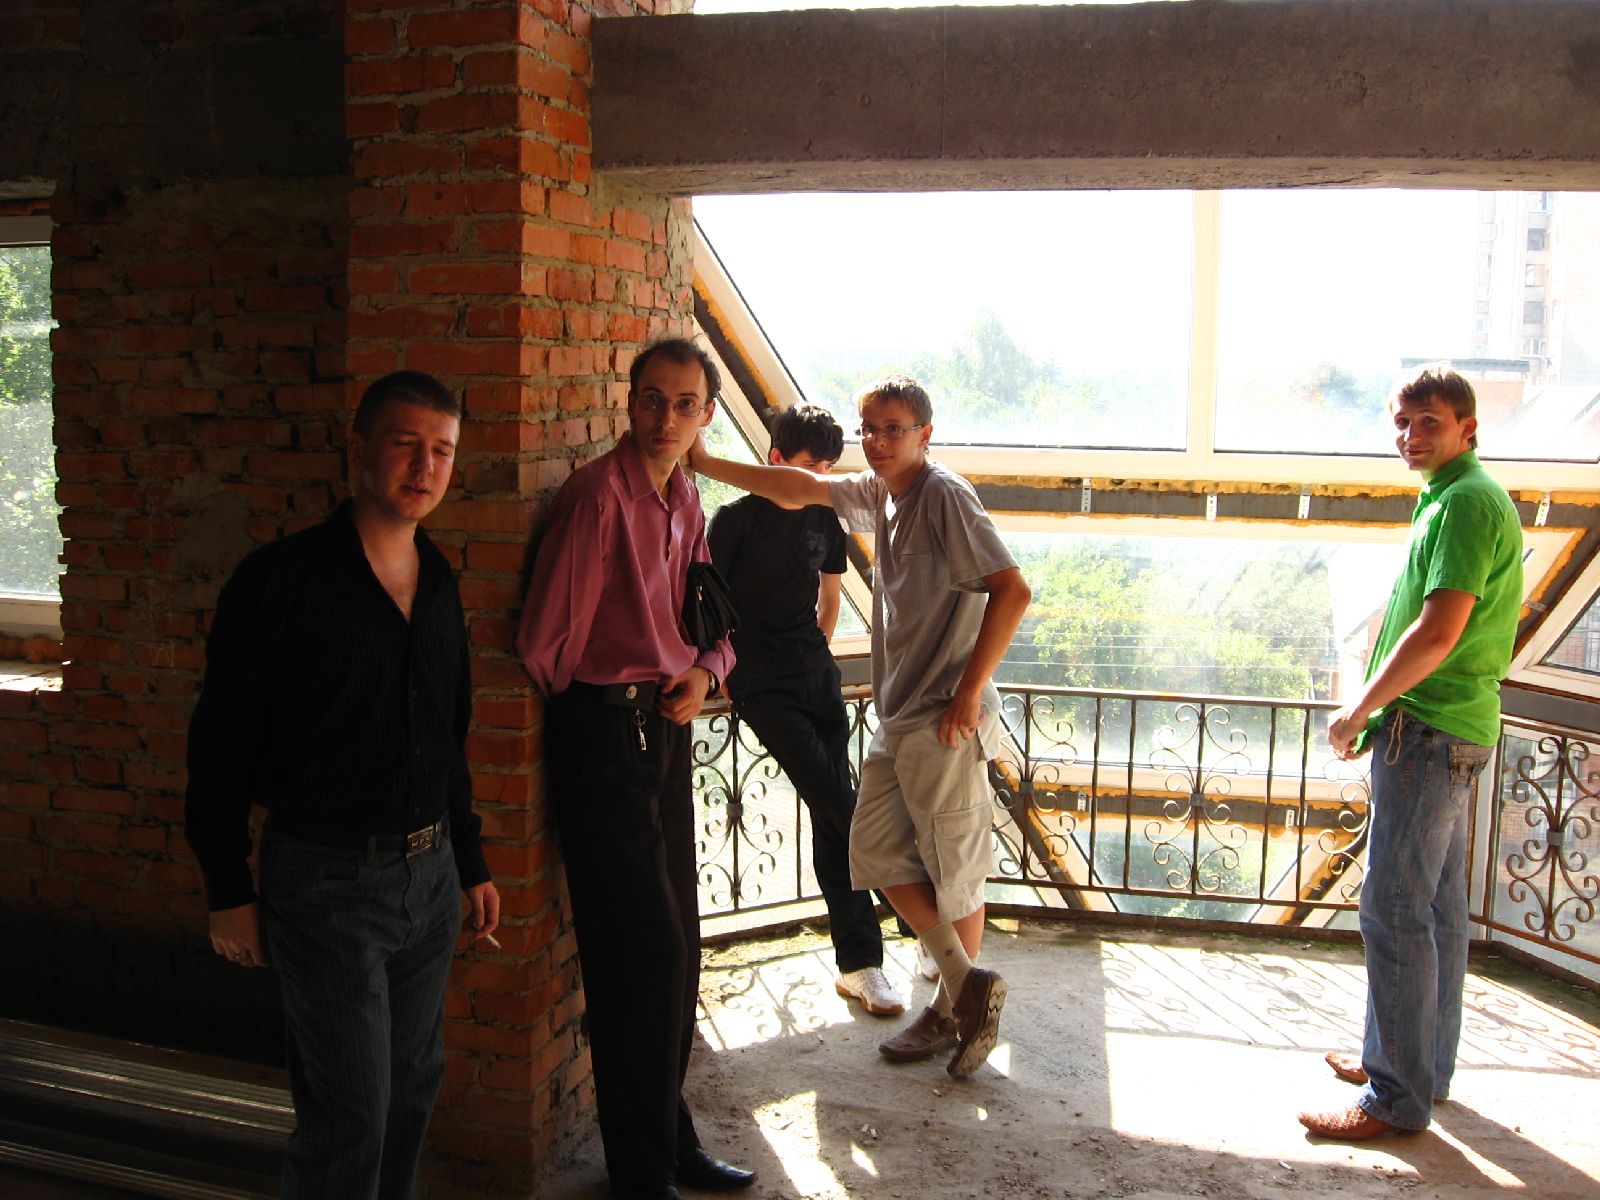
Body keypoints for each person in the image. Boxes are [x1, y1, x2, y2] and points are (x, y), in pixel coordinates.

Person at [183, 370, 501, 1199]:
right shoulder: (280, 581)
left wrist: (468, 860)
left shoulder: (438, 578)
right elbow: (219, 741)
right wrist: (228, 887)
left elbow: (446, 734)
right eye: (406, 444)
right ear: (359, 447)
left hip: (430, 876)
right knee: (349, 1116)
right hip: (326, 882)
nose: (425, 467)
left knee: (411, 1090)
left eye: (442, 451)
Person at [690, 376, 1031, 1079]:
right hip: (899, 715)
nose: (877, 440)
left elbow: (1013, 590)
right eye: (869, 428)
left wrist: (969, 694)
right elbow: (797, 487)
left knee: (955, 872)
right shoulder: (882, 494)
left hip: (945, 715)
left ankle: (950, 1010)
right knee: (869, 846)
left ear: (925, 434)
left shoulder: (942, 494)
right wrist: (705, 460)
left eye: (893, 428)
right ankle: (964, 987)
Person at [515, 337, 754, 1200]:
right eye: (652, 399)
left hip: (665, 725)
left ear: (707, 415)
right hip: (606, 734)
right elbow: (544, 645)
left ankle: (669, 1138)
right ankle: (641, 1172)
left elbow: (710, 623)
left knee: (678, 946)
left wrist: (704, 673)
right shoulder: (596, 500)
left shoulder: (683, 496)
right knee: (641, 956)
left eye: (685, 404)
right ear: (630, 400)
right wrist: (611, 698)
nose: (666, 418)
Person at [1301, 366, 1522, 1140]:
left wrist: (1361, 706)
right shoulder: (1454, 495)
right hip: (1453, 727)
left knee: (1394, 908)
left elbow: (1437, 632)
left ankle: (1394, 1097)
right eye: (1401, 422)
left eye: (1428, 421)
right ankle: (1418, 1065)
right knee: (1435, 909)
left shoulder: (1463, 503)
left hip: (1429, 731)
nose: (1409, 435)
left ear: (1468, 428)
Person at [707, 405, 905, 1018]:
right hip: (760, 683)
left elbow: (830, 595)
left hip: (816, 675)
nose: (819, 477)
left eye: (827, 467)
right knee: (842, 803)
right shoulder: (735, 521)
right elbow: (705, 604)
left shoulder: (824, 513)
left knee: (830, 810)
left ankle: (860, 966)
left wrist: (818, 648)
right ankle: (918, 914)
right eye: (808, 465)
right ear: (774, 459)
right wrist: (722, 669)